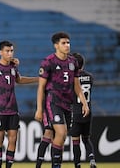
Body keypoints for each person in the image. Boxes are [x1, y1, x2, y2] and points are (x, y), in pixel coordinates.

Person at [34, 32, 90, 168]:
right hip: (53, 102)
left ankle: (56, 164)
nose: (67, 45)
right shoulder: (48, 62)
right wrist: (39, 109)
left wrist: (84, 103)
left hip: (67, 104)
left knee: (62, 137)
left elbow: (77, 85)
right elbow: (41, 87)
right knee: (61, 132)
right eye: (63, 43)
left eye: (68, 43)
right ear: (56, 45)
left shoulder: (73, 62)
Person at [0, 40, 38, 168]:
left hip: (13, 108)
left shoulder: (13, 67)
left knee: (13, 138)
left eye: (11, 51)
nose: (10, 53)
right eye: (7, 51)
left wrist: (37, 79)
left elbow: (19, 79)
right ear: (0, 52)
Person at [70, 52, 97, 168]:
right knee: (86, 139)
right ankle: (92, 159)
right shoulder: (90, 77)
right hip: (88, 111)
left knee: (76, 141)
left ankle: (78, 165)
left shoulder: (72, 79)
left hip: (76, 112)